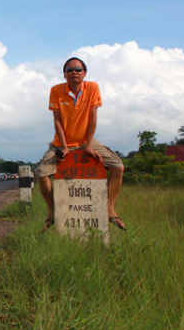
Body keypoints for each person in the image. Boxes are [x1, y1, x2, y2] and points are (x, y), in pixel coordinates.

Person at [34, 57, 126, 231]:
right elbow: (57, 121)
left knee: (118, 167)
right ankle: (53, 212)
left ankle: (109, 210)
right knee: (41, 173)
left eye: (77, 69)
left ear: (84, 73)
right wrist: (65, 147)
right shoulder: (56, 90)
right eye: (69, 70)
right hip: (60, 143)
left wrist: (88, 146)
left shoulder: (92, 88)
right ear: (64, 74)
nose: (73, 72)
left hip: (86, 141)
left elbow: (93, 119)